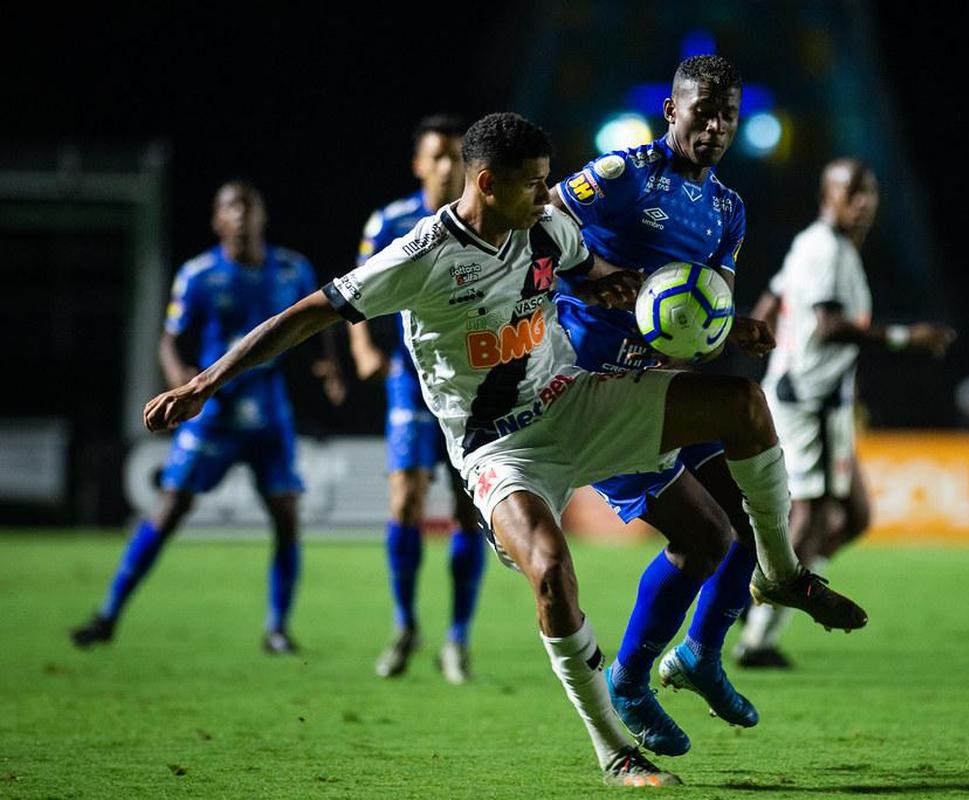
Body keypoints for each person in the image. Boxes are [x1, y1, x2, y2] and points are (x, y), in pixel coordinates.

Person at [141, 113, 866, 786]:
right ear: (486, 182)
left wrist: (717, 325)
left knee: (740, 410)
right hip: (502, 451)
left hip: (577, 400)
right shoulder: (420, 255)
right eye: (534, 180)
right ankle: (615, 750)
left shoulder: (545, 226)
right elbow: (305, 315)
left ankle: (776, 571)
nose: (549, 191)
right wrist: (206, 381)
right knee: (550, 570)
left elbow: (610, 283)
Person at [550, 54, 839, 757]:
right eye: (701, 111)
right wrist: (589, 278)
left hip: (657, 386)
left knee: (755, 503)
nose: (713, 126)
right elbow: (540, 218)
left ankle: (702, 655)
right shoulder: (620, 176)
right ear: (670, 111)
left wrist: (729, 327)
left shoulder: (727, 210)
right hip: (588, 393)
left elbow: (696, 317)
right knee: (706, 539)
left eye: (726, 116)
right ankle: (628, 679)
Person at [71, 180, 345, 654]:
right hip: (213, 409)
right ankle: (108, 614)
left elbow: (321, 317)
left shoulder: (291, 268)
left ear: (262, 216)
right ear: (218, 221)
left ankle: (277, 629)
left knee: (286, 516)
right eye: (230, 208)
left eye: (248, 206)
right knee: (170, 509)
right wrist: (182, 384)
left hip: (270, 411)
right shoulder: (198, 276)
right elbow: (170, 339)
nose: (240, 216)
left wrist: (329, 365)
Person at [734, 159, 954, 667]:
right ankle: (759, 632)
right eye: (851, 192)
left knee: (854, 515)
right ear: (826, 195)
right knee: (811, 514)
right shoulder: (828, 251)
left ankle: (764, 596)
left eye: (870, 193)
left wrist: (762, 329)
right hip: (808, 403)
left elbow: (776, 293)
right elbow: (830, 326)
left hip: (815, 400)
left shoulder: (815, 244)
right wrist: (906, 337)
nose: (863, 203)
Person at [348, 114, 485, 684]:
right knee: (405, 499)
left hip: (474, 381)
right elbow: (353, 290)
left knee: (468, 508)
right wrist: (361, 349)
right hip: (411, 377)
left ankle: (457, 639)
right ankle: (405, 624)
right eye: (439, 156)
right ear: (420, 164)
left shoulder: (486, 218)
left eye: (457, 155)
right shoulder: (391, 221)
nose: (449, 166)